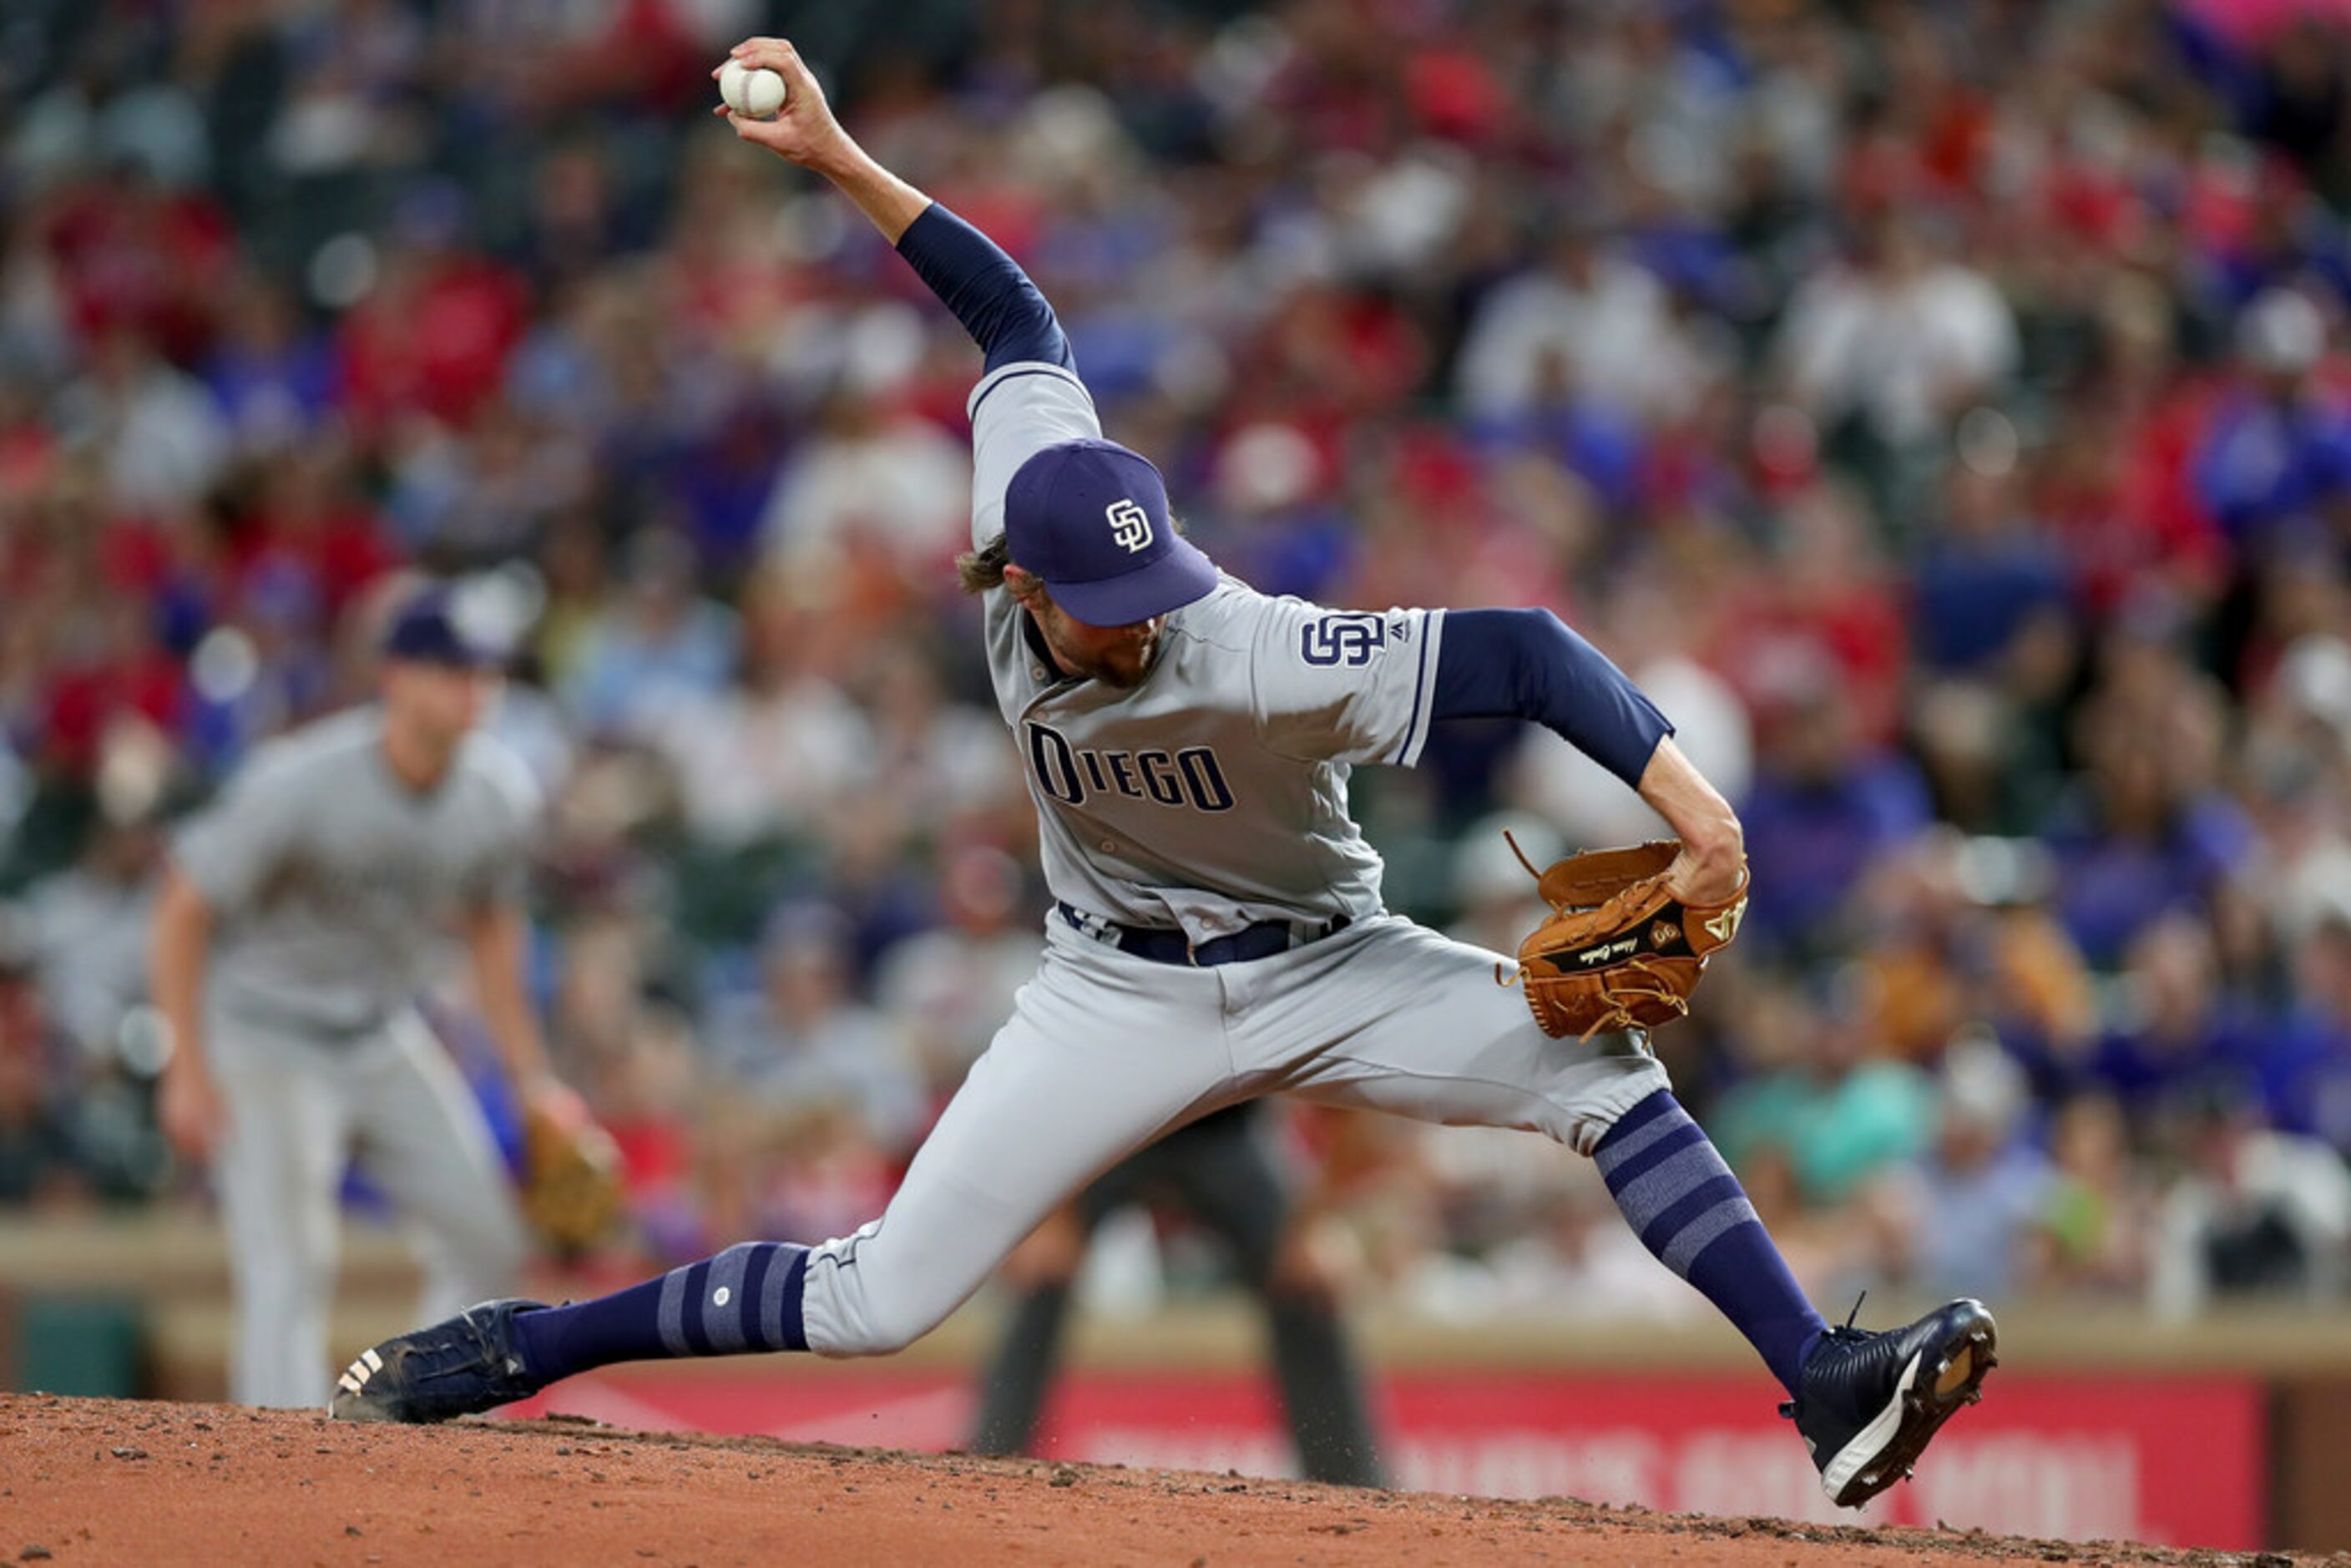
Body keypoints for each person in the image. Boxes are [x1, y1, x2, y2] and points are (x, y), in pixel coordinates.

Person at [331, 39, 1996, 1510]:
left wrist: (1693, 817)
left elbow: (1528, 651)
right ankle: (530, 1346)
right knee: (877, 1299)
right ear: (1018, 582)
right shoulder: (1016, 500)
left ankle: (1827, 1384)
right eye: (1103, 607)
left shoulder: (1249, 643)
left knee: (1600, 1072)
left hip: (1328, 964)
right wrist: (840, 162)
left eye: (1152, 590)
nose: (1143, 623)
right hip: (1106, 996)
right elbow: (1012, 314)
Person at [150, 583, 583, 1407]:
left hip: (383, 1034)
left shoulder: (496, 792)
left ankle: (409, 1416)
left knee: (485, 1236)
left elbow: (492, 935)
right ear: (396, 677)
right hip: (265, 1035)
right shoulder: (302, 781)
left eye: (485, 671)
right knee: (291, 1262)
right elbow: (182, 908)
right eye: (454, 669)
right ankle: (278, 1472)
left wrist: (533, 1082)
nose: (475, 688)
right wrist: (186, 1065)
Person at [970, 1101, 1388, 1488]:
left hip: (1222, 1134)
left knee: (1306, 1284)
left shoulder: (1290, 1021)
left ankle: (1350, 1487)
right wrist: (1049, 1220)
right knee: (1040, 1272)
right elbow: (1055, 1073)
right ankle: (989, 1468)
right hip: (1109, 1130)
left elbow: (1346, 1108)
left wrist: (1311, 1229)